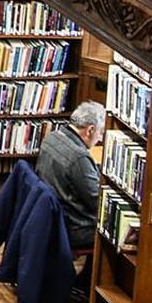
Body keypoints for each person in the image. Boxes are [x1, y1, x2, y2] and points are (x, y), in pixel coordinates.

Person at [36, 101, 105, 260]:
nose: (100, 139)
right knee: (115, 230)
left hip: (53, 217)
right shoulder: (79, 156)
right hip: (75, 227)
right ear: (90, 130)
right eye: (100, 133)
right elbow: (96, 201)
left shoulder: (53, 138)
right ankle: (91, 279)